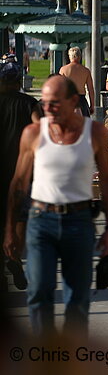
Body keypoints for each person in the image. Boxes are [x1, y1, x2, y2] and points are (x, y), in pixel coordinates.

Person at [3, 75, 108, 337]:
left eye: (54, 103)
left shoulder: (95, 132)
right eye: (44, 103)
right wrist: (9, 230)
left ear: (73, 101)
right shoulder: (33, 134)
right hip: (41, 221)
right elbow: (18, 184)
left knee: (77, 298)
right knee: (39, 292)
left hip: (79, 221)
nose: (47, 109)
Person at [0, 60, 41, 291]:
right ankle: (15, 258)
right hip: (23, 171)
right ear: (18, 82)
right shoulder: (29, 103)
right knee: (20, 218)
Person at [59, 47, 95, 116]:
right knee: (84, 125)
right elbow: (91, 90)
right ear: (80, 56)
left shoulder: (63, 70)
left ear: (70, 56)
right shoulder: (86, 71)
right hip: (81, 100)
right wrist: (92, 105)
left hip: (69, 99)